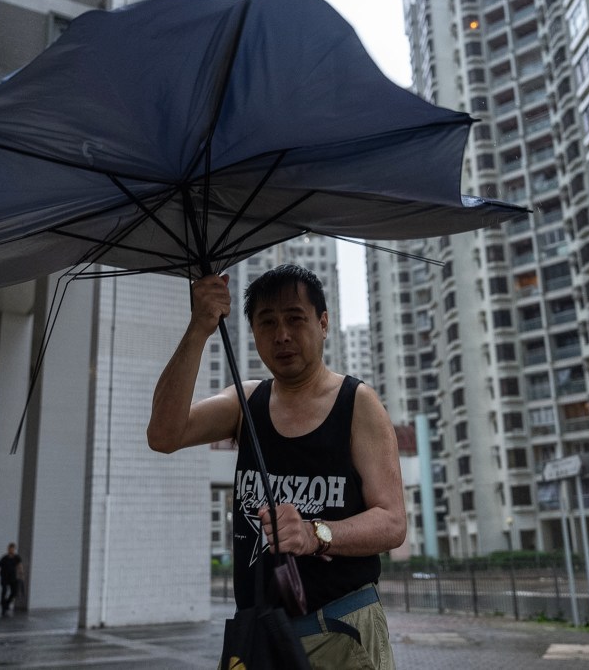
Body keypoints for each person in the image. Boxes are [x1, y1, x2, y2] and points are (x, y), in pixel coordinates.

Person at [148, 264, 405, 669]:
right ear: (252, 333)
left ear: (323, 323)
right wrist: (199, 327)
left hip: (342, 628)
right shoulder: (246, 403)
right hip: (260, 634)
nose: (281, 334)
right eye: (266, 322)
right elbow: (163, 435)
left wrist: (314, 533)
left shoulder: (358, 404)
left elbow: (392, 523)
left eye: (295, 319)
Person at [0, 542, 25, 617]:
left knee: (14, 592)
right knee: (4, 591)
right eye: (10, 549)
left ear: (14, 550)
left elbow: (20, 566)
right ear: (8, 549)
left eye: (13, 549)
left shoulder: (17, 558)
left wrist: (21, 575)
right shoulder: (4, 558)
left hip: (12, 578)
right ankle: (3, 608)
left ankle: (7, 604)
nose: (11, 550)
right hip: (4, 577)